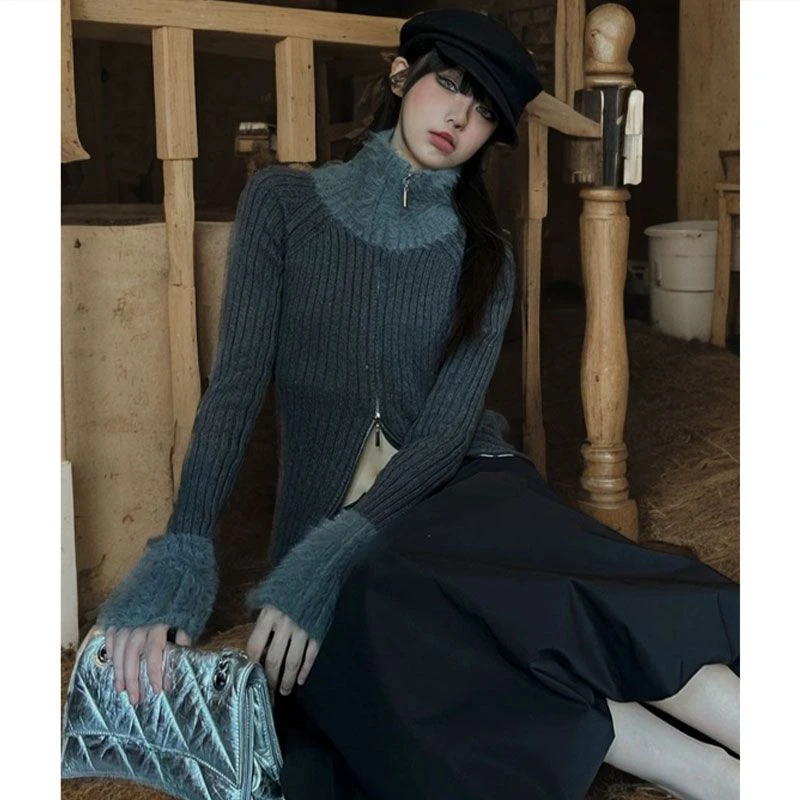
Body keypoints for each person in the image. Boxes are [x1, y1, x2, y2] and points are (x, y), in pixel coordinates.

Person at [97, 9, 739, 800]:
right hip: (338, 523)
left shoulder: (485, 254)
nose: (461, 117)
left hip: (463, 476)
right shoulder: (282, 203)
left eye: (486, 111)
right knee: (401, 622)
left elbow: (442, 434)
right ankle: (712, 777)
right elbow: (234, 388)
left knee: (543, 573)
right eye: (452, 84)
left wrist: (333, 552)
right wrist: (184, 552)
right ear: (402, 76)